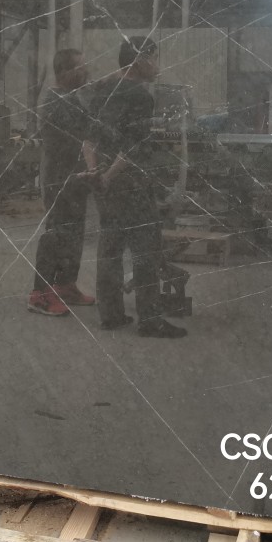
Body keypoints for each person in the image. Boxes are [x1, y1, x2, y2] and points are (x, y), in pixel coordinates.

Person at [85, 36, 186, 339]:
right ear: (140, 60)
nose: (157, 65)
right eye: (154, 57)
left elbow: (88, 140)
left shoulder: (101, 90)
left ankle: (111, 315)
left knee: (110, 247)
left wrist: (96, 174)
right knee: (145, 250)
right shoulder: (140, 97)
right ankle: (150, 320)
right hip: (130, 182)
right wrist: (110, 175)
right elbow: (132, 148)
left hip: (102, 180)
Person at [28, 49, 97, 316]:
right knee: (56, 234)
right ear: (65, 72)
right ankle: (39, 294)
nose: (86, 71)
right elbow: (86, 128)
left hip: (74, 177)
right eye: (80, 67)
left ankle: (65, 285)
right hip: (58, 179)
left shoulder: (70, 97)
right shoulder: (56, 101)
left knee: (74, 233)